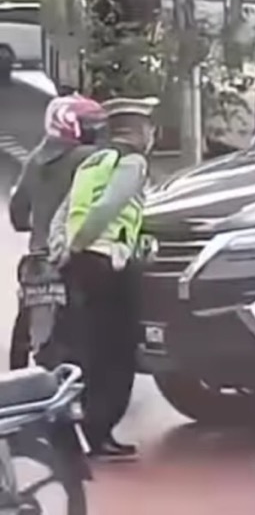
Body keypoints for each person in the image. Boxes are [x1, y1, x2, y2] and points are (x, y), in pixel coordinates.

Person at [50, 96, 158, 461]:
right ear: (139, 131)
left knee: (90, 348)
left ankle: (84, 430)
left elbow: (65, 211)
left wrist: (63, 249)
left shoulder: (94, 160)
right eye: (149, 128)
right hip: (107, 266)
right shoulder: (133, 162)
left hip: (79, 267)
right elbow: (109, 206)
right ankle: (101, 432)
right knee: (118, 353)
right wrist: (82, 244)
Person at [8, 94, 108, 369]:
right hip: (77, 254)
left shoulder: (34, 159)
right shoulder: (92, 158)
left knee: (24, 320)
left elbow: (18, 212)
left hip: (38, 260)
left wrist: (34, 224)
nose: (96, 132)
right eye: (90, 126)